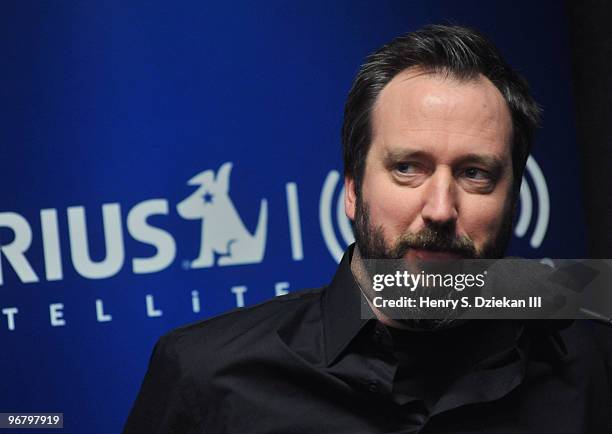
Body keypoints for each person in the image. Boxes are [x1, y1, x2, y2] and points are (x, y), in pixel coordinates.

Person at [123, 25, 612, 433]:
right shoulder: (207, 375)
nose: (440, 209)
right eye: (407, 168)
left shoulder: (590, 361)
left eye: (475, 173)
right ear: (353, 190)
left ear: (513, 199)